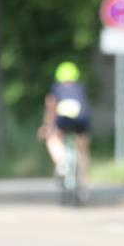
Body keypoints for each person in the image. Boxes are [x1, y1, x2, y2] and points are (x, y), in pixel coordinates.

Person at [38, 62, 91, 197]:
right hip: (82, 120)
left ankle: (62, 162)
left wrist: (47, 127)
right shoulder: (81, 88)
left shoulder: (56, 89)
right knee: (83, 151)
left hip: (63, 120)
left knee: (52, 137)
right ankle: (83, 182)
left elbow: (51, 108)